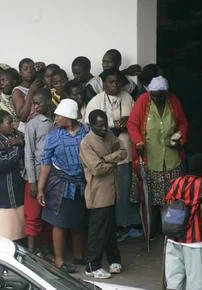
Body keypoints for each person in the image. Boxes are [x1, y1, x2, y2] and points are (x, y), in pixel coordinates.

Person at [127, 76, 188, 238]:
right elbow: (132, 124)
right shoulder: (142, 101)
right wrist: (138, 142)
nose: (158, 98)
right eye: (154, 95)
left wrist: (180, 139)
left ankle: (172, 231)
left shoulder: (173, 102)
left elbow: (182, 123)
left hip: (171, 161)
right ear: (150, 93)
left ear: (167, 93)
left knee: (173, 200)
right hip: (149, 160)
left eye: (161, 95)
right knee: (150, 201)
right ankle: (152, 231)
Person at [84, 69, 140, 240]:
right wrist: (111, 128)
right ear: (104, 83)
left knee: (123, 191)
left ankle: (123, 226)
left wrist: (127, 124)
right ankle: (110, 229)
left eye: (117, 82)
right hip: (102, 155)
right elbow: (89, 127)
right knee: (105, 194)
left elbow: (136, 123)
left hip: (124, 152)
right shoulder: (96, 101)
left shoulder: (128, 98)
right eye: (110, 82)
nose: (114, 85)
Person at [37, 99, 88, 272]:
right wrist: (40, 188)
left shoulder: (86, 132)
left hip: (81, 184)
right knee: (59, 222)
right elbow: (45, 163)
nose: (55, 118)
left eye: (59, 116)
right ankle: (59, 261)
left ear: (69, 117)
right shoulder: (53, 136)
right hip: (60, 184)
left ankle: (79, 255)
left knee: (78, 222)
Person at [80, 109, 127, 279]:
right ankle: (92, 266)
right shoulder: (86, 143)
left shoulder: (109, 136)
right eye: (100, 126)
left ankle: (114, 259)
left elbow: (123, 151)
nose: (104, 128)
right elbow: (96, 169)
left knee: (110, 229)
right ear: (91, 125)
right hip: (98, 193)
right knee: (97, 231)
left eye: (105, 124)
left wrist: (107, 158)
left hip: (112, 191)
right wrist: (113, 161)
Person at [164, 154, 202, 290]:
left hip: (173, 237)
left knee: (173, 279)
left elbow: (167, 201)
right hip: (194, 241)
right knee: (195, 281)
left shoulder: (177, 181)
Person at [24, 88, 54, 254]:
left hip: (52, 175)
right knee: (33, 213)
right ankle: (31, 251)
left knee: (48, 214)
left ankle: (46, 248)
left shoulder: (55, 122)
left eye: (38, 103)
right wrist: (32, 181)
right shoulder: (33, 124)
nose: (34, 107)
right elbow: (28, 153)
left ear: (48, 102)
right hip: (35, 175)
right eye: (33, 103)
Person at [0, 110, 25, 241]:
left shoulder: (12, 136)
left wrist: (19, 142)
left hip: (15, 190)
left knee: (17, 232)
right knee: (4, 236)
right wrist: (18, 148)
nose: (12, 126)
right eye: (8, 123)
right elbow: (0, 162)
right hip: (3, 192)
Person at [12, 58, 43, 123]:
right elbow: (22, 117)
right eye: (25, 69)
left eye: (32, 68)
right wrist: (31, 92)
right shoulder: (17, 91)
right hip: (26, 129)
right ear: (20, 73)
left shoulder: (39, 85)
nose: (29, 71)